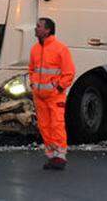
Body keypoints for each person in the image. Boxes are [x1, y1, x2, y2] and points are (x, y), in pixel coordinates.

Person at [29, 17, 75, 170]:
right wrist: (33, 85)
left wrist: (59, 88)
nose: (36, 29)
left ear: (47, 30)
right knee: (44, 126)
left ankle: (60, 156)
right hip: (40, 95)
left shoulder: (60, 48)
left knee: (56, 125)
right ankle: (52, 156)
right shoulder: (35, 49)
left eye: (39, 26)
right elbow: (31, 69)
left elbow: (69, 72)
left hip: (54, 95)